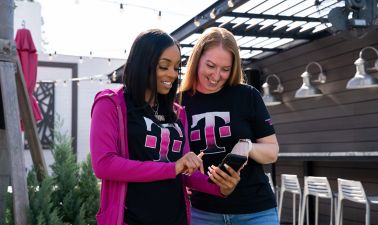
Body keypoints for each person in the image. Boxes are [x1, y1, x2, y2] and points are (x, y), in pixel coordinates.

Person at [90, 28, 240, 225]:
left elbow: (185, 173)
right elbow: (104, 164)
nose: (172, 74)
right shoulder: (111, 104)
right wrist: (173, 167)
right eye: (164, 66)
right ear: (143, 64)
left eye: (176, 67)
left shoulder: (178, 113)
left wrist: (219, 186)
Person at [179, 27, 280, 225]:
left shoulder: (248, 95)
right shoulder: (179, 101)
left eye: (225, 69)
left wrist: (248, 147)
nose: (216, 76)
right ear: (197, 59)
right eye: (210, 65)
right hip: (202, 212)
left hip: (255, 211)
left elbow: (272, 151)